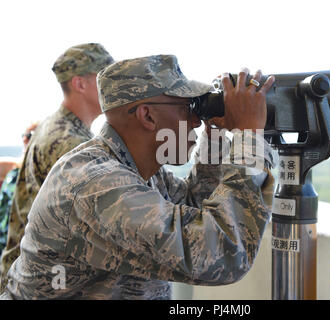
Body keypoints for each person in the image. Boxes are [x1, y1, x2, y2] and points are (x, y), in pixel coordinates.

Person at [1, 55, 276, 300]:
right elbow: (223, 255)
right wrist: (249, 136)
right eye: (188, 107)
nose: (195, 120)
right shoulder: (96, 185)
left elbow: (195, 206)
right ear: (147, 115)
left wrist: (216, 134)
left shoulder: (139, 171)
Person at [0, 43, 114, 291]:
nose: (112, 86)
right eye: (104, 77)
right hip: (41, 283)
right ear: (80, 84)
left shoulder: (57, 126)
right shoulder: (70, 143)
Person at [0, 123, 38, 255]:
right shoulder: (13, 174)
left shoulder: (34, 178)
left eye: (29, 136)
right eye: (24, 135)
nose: (24, 139)